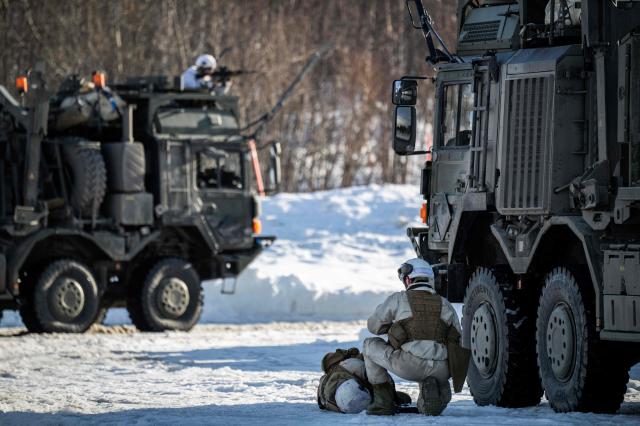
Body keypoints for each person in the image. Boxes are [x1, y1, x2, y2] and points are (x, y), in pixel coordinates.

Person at [362, 258, 469, 416]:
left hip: (410, 366)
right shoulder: (445, 304)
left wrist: (394, 329)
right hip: (442, 369)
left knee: (369, 345)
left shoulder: (398, 299)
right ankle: (438, 390)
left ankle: (382, 402)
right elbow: (457, 340)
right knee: (429, 347)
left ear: (407, 280)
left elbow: (373, 327)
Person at [317, 347, 411, 414]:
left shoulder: (325, 381)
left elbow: (323, 404)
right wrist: (393, 397)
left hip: (348, 404)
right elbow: (380, 377)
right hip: (359, 395)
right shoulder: (350, 364)